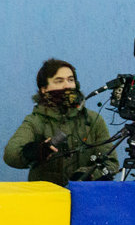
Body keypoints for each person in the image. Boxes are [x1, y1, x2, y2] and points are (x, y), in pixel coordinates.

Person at [3, 58, 119, 186]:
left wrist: (89, 174)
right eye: (59, 81)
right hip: (48, 199)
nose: (67, 85)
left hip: (85, 196)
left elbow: (111, 164)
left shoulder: (93, 120)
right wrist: (36, 150)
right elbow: (11, 155)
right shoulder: (36, 121)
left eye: (70, 80)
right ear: (44, 89)